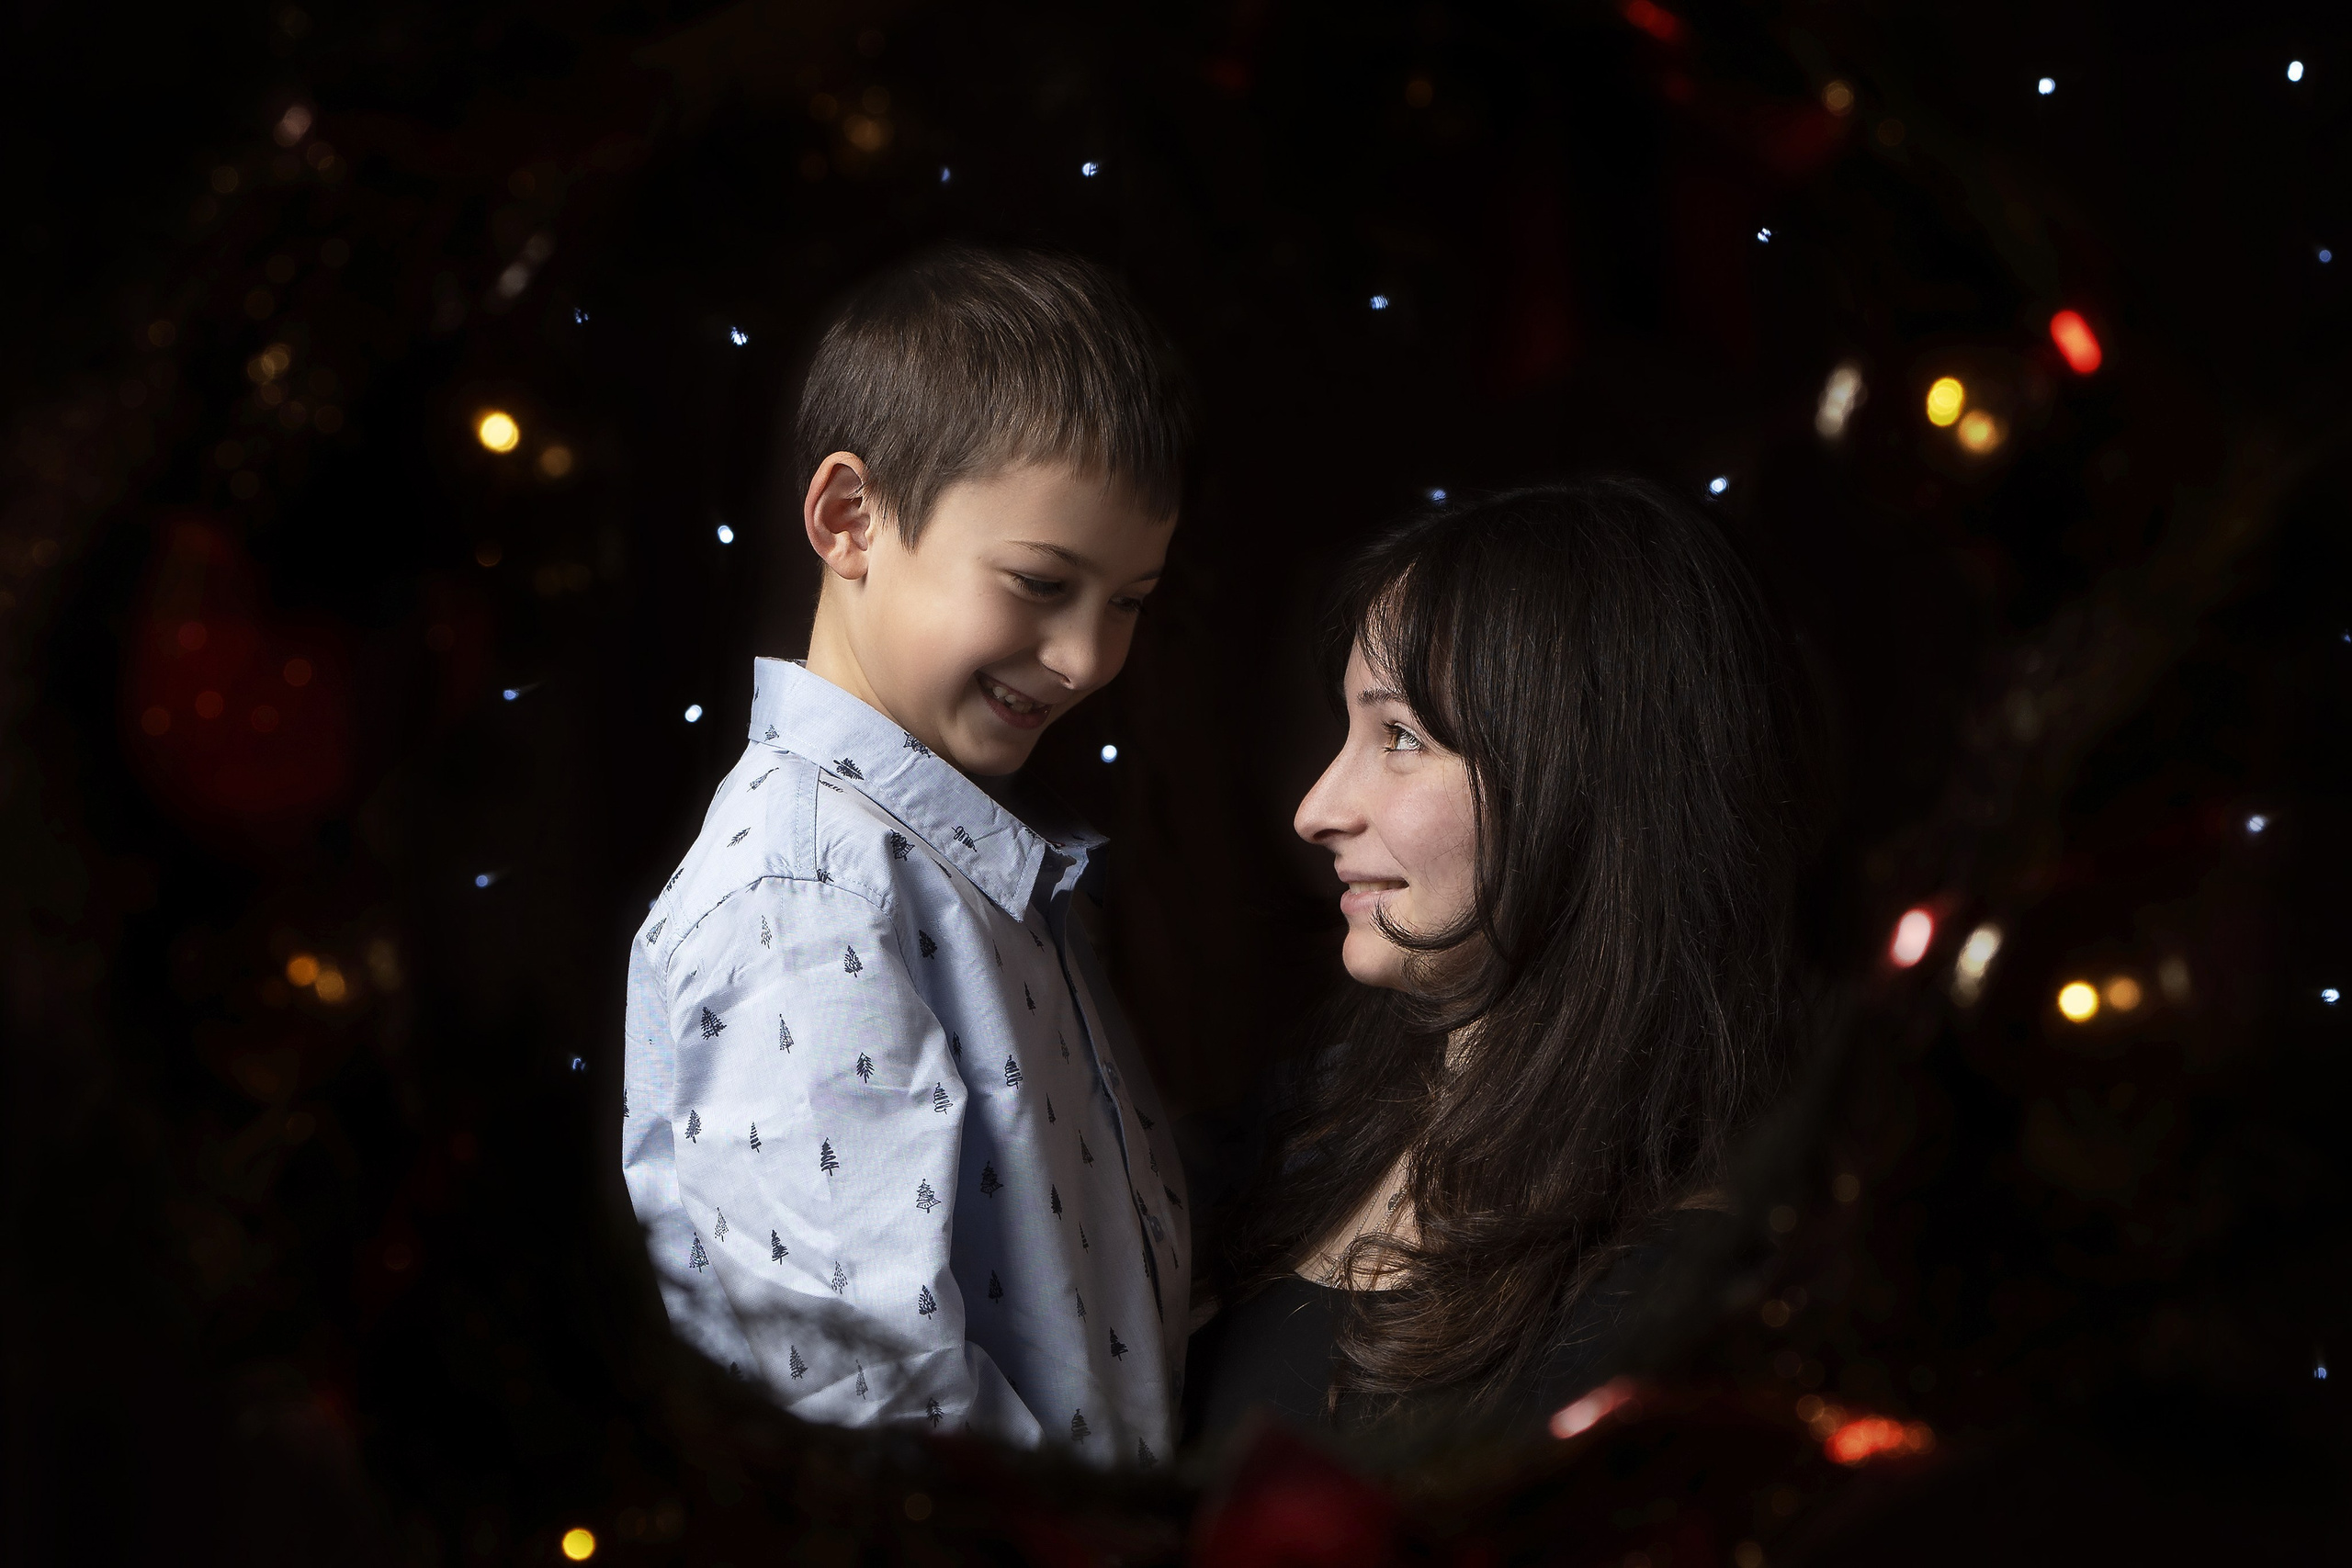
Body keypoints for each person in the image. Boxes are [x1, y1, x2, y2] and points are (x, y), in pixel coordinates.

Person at [623, 246, 1193, 1463]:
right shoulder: (808, 895)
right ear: (851, 518)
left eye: (1129, 600)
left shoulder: (955, 857)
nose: (1087, 658)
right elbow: (873, 1409)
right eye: (1041, 581)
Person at [1189, 479, 1818, 1456]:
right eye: (1349, 731)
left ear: (1587, 782)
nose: (1317, 808)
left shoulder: (1673, 1309)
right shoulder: (1306, 1130)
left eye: (1400, 736)